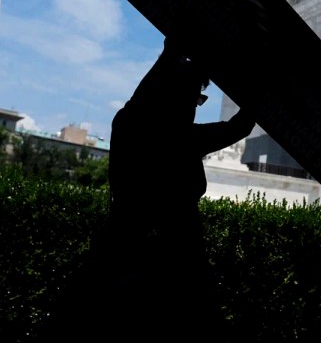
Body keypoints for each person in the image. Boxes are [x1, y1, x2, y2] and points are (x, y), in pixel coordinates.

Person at [40, 38, 255, 341]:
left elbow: (142, 102)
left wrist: (171, 53)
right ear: (178, 95)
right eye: (197, 97)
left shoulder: (132, 125)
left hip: (119, 254)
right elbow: (240, 126)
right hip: (174, 268)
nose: (196, 104)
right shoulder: (179, 137)